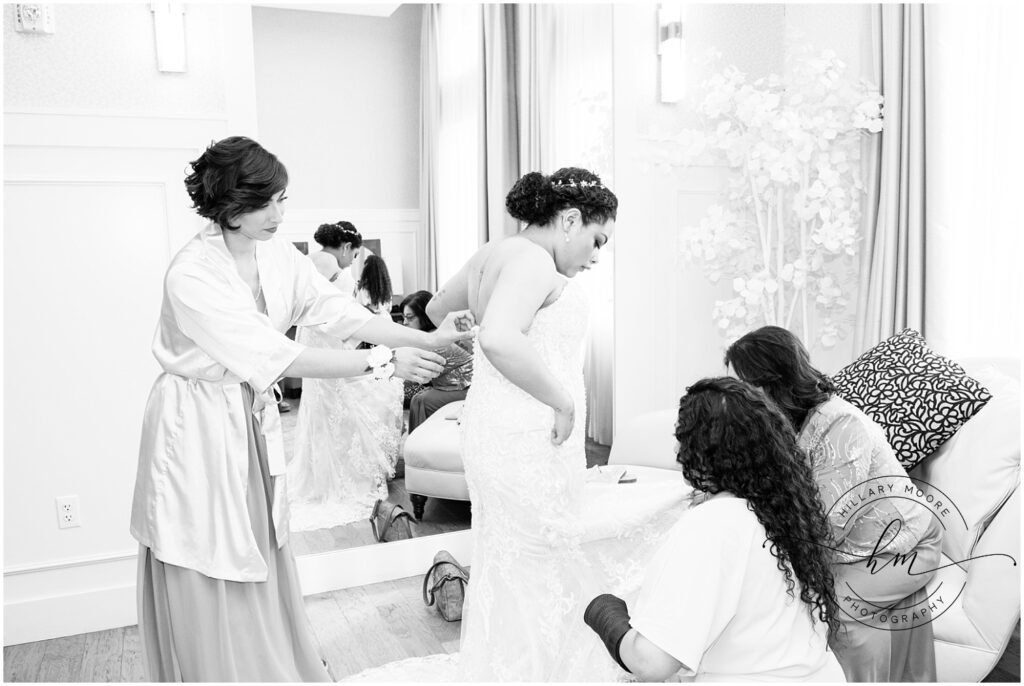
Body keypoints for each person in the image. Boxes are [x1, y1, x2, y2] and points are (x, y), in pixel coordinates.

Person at [130, 136, 472, 682]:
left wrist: (426, 342)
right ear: (226, 200)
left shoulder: (275, 256)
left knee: (260, 537)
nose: (278, 214)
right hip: (196, 422)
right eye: (264, 201)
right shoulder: (191, 273)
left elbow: (341, 313)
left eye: (282, 199)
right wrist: (384, 364)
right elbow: (274, 353)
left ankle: (270, 661)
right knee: (206, 543)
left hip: (247, 416)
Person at [424, 168, 688, 681]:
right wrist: (562, 402)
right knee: (538, 557)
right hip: (528, 435)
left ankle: (509, 663)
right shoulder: (532, 261)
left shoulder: (493, 253)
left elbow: (437, 308)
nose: (595, 256)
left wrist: (465, 323)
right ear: (569, 220)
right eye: (597, 239)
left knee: (514, 557)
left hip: (492, 429)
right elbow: (498, 338)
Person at [584, 377, 846, 682]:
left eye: (681, 437)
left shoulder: (713, 525)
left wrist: (605, 611)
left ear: (701, 450)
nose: (675, 448)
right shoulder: (786, 510)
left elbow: (650, 662)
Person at [725, 325, 943, 682]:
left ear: (773, 381)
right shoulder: (783, 420)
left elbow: (824, 528)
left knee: (823, 612)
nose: (740, 397)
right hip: (850, 547)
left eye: (746, 386)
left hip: (904, 547)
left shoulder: (840, 425)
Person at [288, 254, 405, 531]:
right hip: (341, 345)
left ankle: (333, 474)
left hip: (338, 344)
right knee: (335, 412)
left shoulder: (321, 268)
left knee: (331, 416)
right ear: (347, 247)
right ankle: (345, 474)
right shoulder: (340, 273)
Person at [400, 289, 473, 434]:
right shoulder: (434, 335)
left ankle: (420, 441)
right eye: (404, 317)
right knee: (414, 394)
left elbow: (416, 375)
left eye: (409, 318)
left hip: (462, 388)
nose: (404, 323)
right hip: (450, 385)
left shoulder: (433, 340)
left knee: (418, 398)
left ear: (423, 317)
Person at [309, 221, 362, 296]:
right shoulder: (327, 260)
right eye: (355, 255)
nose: (353, 261)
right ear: (347, 247)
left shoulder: (312, 257)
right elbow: (310, 295)